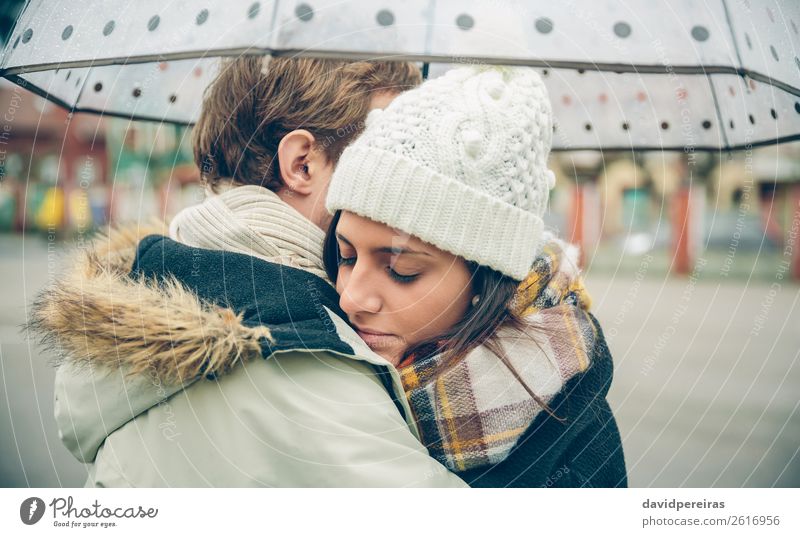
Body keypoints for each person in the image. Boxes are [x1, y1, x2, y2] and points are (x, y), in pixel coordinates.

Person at [30, 56, 470, 487]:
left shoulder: (160, 284)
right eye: (387, 147)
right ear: (303, 163)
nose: (412, 171)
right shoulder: (305, 361)